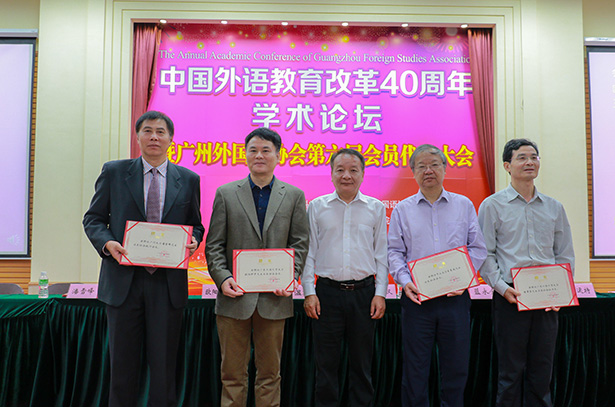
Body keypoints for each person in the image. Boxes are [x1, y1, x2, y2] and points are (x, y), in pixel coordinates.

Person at [83, 110, 204, 407]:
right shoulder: (114, 172)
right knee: (122, 366)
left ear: (171, 139)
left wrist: (194, 240)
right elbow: (93, 219)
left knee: (164, 367)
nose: (154, 137)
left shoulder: (188, 179)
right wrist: (107, 243)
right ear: (137, 136)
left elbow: (196, 224)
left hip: (167, 284)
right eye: (147, 131)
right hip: (123, 282)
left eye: (161, 132)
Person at [204, 127, 309, 407]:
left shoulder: (294, 195)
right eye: (253, 150)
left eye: (266, 150)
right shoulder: (226, 194)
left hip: (275, 298)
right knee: (232, 375)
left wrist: (291, 277)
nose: (259, 155)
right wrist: (223, 279)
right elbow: (214, 245)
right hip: (233, 298)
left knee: (270, 374)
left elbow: (300, 243)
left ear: (278, 156)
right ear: (246, 155)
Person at [387, 144, 487, 407]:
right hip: (417, 300)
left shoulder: (463, 205)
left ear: (445, 168)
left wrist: (464, 279)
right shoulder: (402, 210)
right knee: (415, 369)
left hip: (455, 299)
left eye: (434, 165)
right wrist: (405, 281)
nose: (428, 171)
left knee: (456, 367)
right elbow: (394, 252)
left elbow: (478, 248)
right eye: (421, 166)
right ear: (413, 172)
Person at [478, 138, 574, 407]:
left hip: (547, 298)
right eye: (521, 157)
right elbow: (485, 253)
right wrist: (501, 287)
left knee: (542, 370)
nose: (529, 162)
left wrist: (562, 292)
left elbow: (564, 253)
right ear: (507, 166)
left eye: (534, 157)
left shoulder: (554, 207)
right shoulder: (492, 205)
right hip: (511, 295)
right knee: (510, 372)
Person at [302, 148, 388, 407]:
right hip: (326, 294)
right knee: (326, 364)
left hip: (364, 294)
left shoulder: (375, 207)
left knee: (362, 364)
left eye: (353, 170)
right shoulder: (317, 207)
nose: (346, 176)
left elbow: (381, 253)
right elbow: (309, 252)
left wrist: (380, 293)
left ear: (362, 174)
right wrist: (309, 292)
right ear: (331, 174)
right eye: (340, 170)